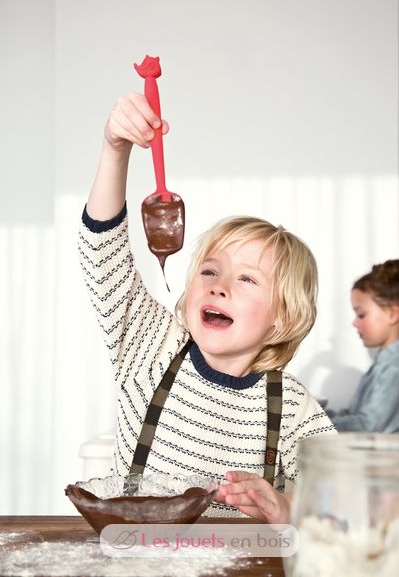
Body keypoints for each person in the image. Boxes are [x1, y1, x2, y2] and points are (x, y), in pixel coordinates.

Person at [78, 91, 335, 522]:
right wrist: (114, 149)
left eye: (247, 279)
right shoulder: (151, 347)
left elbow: (343, 499)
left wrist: (289, 508)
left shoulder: (289, 405)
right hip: (138, 561)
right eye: (209, 271)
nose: (219, 287)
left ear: (284, 318)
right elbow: (102, 252)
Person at [326, 260, 399, 433]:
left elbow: (368, 425)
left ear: (393, 314)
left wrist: (314, 425)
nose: (354, 322)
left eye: (361, 314)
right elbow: (354, 414)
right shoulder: (382, 363)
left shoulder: (394, 366)